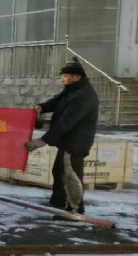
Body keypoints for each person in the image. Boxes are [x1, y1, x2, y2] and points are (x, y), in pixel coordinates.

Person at [24, 58, 99, 216]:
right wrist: (42, 107)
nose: (62, 79)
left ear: (76, 76)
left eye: (65, 76)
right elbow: (57, 101)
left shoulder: (82, 96)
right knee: (58, 172)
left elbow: (66, 122)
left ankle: (74, 209)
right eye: (62, 76)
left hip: (75, 143)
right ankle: (58, 202)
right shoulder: (72, 89)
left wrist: (42, 140)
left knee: (70, 175)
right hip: (67, 141)